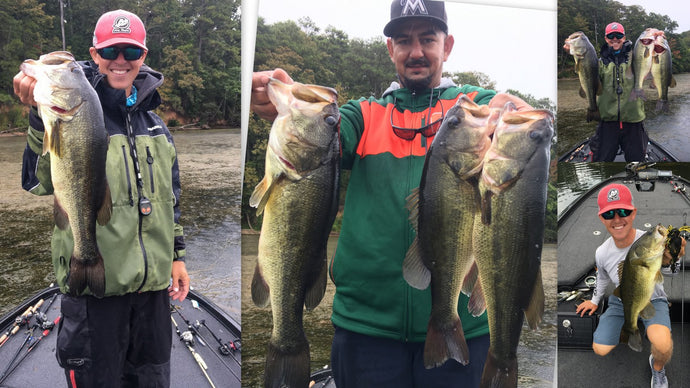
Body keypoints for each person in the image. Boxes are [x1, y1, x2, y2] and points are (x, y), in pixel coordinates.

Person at [251, 1, 531, 386]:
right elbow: (322, 136)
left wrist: (515, 115)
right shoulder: (362, 115)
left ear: (447, 46)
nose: (416, 52)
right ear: (390, 49)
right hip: (366, 332)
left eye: (427, 39)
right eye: (404, 40)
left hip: (465, 329)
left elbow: (519, 127)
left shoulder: (473, 110)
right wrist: (272, 104)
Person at [13, 9, 189, 387]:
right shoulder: (68, 109)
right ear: (94, 55)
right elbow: (36, 184)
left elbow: (170, 198)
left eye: (131, 51)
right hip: (97, 291)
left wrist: (176, 256)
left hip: (153, 295)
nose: (121, 60)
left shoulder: (156, 124)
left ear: (144, 56)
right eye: (111, 51)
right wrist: (35, 116)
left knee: (152, 380)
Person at [576, 183, 681, 388]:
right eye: (609, 214)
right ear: (601, 218)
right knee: (600, 348)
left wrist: (672, 258)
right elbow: (603, 278)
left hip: (654, 298)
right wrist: (595, 301)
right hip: (622, 299)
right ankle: (632, 327)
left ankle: (657, 368)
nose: (617, 219)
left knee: (662, 345)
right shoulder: (602, 252)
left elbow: (671, 273)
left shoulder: (650, 243)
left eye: (623, 211)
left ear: (633, 213)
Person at [590, 22, 649, 162]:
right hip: (608, 122)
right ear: (605, 38)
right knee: (601, 162)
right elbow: (589, 79)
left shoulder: (636, 58)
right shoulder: (599, 63)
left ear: (624, 37)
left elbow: (651, 55)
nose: (615, 38)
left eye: (619, 35)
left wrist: (653, 37)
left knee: (638, 165)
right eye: (611, 35)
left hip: (634, 121)